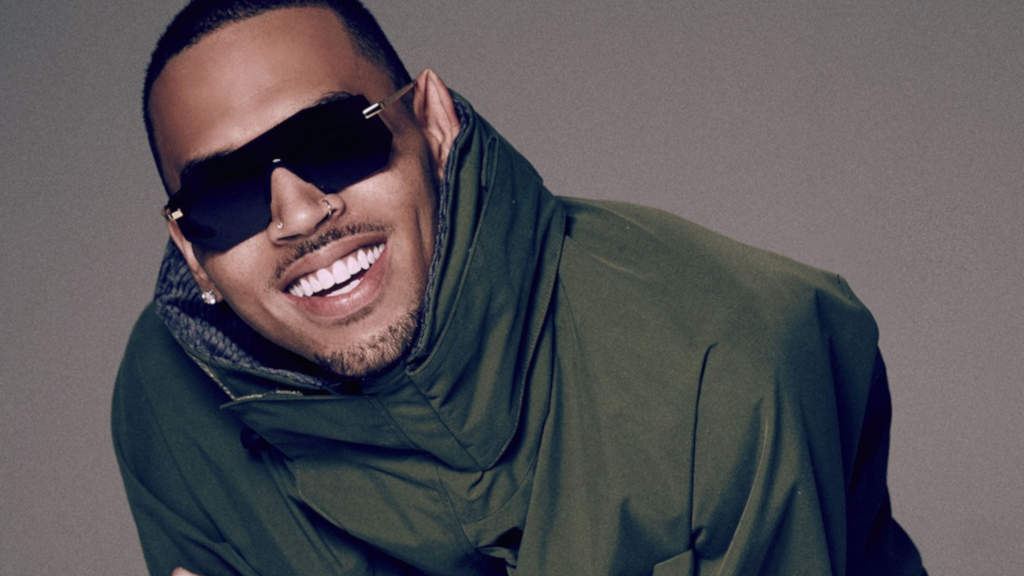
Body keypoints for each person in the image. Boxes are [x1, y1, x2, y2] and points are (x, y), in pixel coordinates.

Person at [112, 1, 927, 574]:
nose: (297, 214)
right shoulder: (170, 400)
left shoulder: (727, 359)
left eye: (332, 141)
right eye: (227, 194)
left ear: (432, 122)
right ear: (190, 248)